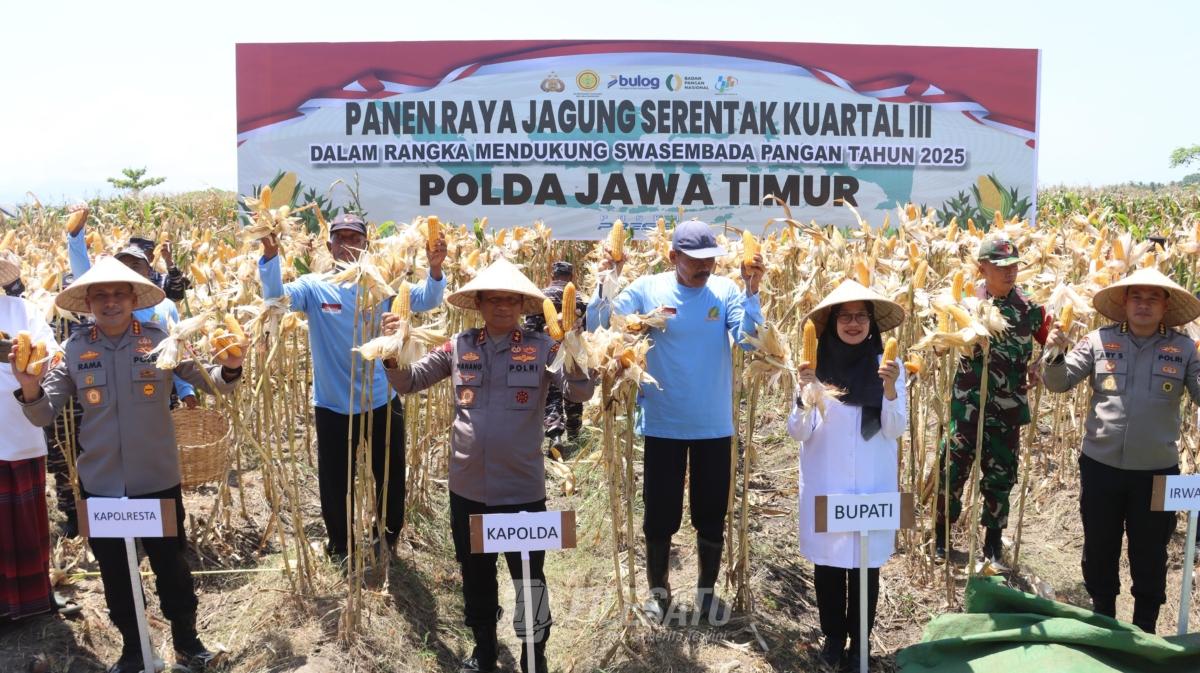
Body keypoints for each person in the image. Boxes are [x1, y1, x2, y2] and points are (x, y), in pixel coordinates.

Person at [12, 256, 245, 672]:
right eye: (100, 295)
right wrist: (29, 386)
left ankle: (188, 643)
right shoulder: (73, 349)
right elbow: (43, 413)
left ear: (134, 299)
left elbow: (210, 380)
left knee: (171, 566)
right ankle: (134, 650)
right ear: (88, 303)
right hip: (101, 484)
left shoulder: (160, 340)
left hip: (156, 479)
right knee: (116, 572)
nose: (110, 302)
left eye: (119, 294)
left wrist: (230, 367)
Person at [382, 258, 596, 673]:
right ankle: (484, 650)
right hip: (469, 490)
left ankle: (535, 654)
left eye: (510, 300)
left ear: (521, 305)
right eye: (493, 299)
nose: (501, 306)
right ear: (479, 303)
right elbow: (409, 380)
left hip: (522, 492)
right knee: (476, 574)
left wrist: (576, 349)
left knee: (530, 579)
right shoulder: (458, 346)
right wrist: (392, 352)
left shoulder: (544, 348)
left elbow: (579, 393)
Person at [586, 219, 764, 624]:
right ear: (673, 257)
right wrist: (607, 282)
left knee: (711, 514)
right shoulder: (647, 289)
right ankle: (658, 594)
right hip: (662, 422)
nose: (705, 267)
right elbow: (599, 325)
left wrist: (752, 291)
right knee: (660, 514)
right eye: (695, 259)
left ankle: (706, 595)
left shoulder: (726, 291)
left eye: (710, 259)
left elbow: (749, 340)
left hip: (712, 425)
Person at [257, 213, 447, 561]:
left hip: (381, 398)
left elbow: (426, 299)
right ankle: (340, 545)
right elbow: (276, 298)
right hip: (332, 403)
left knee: (389, 476)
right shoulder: (314, 286)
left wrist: (435, 269)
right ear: (330, 246)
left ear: (365, 244)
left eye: (354, 238)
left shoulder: (382, 284)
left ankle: (387, 538)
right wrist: (270, 257)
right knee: (335, 481)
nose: (347, 245)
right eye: (340, 238)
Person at [1043, 268, 1200, 634]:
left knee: (1151, 550)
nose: (1144, 305)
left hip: (1158, 472)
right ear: (1125, 303)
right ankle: (1103, 619)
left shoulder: (1185, 348)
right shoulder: (1098, 341)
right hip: (1101, 466)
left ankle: (1145, 626)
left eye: (1153, 298)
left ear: (1165, 306)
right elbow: (1059, 383)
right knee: (1100, 544)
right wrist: (1053, 353)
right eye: (1136, 297)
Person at [787, 280, 906, 668]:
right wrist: (805, 395)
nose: (853, 324)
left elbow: (895, 428)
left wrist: (890, 390)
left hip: (872, 483)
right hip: (827, 482)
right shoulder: (812, 369)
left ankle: (861, 644)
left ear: (871, 323)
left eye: (860, 317)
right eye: (845, 317)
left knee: (866, 567)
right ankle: (834, 637)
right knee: (828, 565)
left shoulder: (888, 367)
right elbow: (797, 432)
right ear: (832, 322)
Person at [935, 234, 1049, 561]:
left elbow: (1054, 343)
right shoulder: (965, 302)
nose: (1009, 272)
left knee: (1001, 477)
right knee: (951, 471)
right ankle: (941, 537)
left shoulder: (1029, 309)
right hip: (967, 407)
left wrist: (1040, 364)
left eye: (1014, 266)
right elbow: (941, 344)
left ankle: (993, 544)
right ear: (982, 267)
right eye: (1001, 266)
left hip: (1007, 410)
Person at [67, 215, 198, 410]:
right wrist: (75, 236)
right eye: (124, 266)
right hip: (115, 395)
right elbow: (83, 273)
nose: (130, 270)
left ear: (149, 270)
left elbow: (177, 350)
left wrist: (186, 390)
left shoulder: (166, 306)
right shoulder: (111, 309)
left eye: (136, 265)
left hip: (156, 394)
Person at [0, 251, 60, 623]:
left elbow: (51, 355)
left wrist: (25, 360)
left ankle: (32, 602)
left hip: (18, 428)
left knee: (23, 526)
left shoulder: (21, 311)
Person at [523, 261, 588, 452]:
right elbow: (588, 328)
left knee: (551, 393)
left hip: (546, 353)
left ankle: (555, 434)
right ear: (572, 277)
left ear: (552, 275)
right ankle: (574, 434)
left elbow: (530, 329)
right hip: (574, 353)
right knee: (573, 390)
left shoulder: (540, 297)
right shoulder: (581, 299)